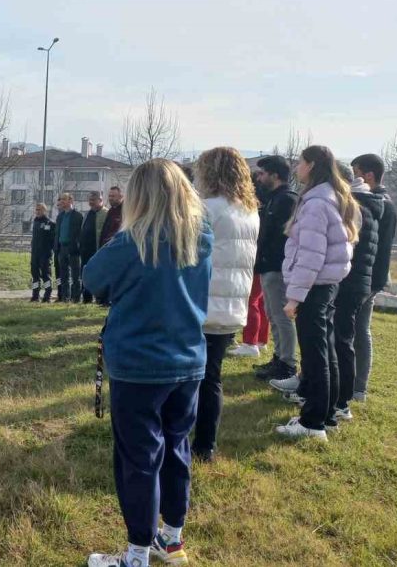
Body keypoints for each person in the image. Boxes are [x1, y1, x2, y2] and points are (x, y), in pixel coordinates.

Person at [83, 159, 213, 567]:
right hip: (188, 360)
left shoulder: (130, 243)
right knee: (177, 448)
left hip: (138, 366)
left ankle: (137, 553)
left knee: (138, 459)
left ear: (138, 197)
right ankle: (171, 540)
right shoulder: (202, 239)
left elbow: (91, 279)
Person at [274, 145, 356, 441]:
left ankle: (313, 423)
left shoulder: (317, 203)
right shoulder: (332, 196)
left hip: (313, 287)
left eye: (300, 162)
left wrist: (295, 297)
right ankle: (328, 415)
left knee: (315, 355)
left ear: (311, 165)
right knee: (326, 351)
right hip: (326, 285)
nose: (296, 167)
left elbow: (311, 254)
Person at [191, 148, 259, 462]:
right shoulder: (248, 210)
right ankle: (206, 445)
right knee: (212, 377)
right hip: (231, 304)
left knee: (190, 377)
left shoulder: (206, 208)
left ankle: (179, 436)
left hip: (201, 302)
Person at [331, 162, 381, 421]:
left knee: (342, 340)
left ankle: (342, 401)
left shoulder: (355, 206)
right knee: (344, 339)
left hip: (349, 281)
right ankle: (340, 396)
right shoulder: (367, 205)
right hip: (359, 280)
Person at [349, 153, 397, 402]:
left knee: (359, 331)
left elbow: (381, 249)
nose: (352, 179)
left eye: (356, 172)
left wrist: (372, 282)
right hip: (363, 276)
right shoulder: (376, 201)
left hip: (369, 278)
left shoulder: (382, 204)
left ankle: (358, 388)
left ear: (368, 175)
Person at [252, 156, 300, 382]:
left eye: (262, 173)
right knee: (272, 313)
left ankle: (288, 363)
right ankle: (279, 357)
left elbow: (282, 237)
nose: (259, 178)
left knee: (281, 316)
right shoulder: (273, 199)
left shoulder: (287, 200)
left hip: (278, 266)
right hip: (268, 265)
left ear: (275, 175)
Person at [229, 179, 270, 358]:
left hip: (254, 259)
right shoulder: (267, 207)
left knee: (251, 301)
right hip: (262, 259)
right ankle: (261, 340)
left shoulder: (250, 211)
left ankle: (250, 342)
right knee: (260, 302)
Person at [79, 191, 109, 304]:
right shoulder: (87, 214)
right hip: (85, 251)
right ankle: (86, 297)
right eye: (90, 200)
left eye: (93, 200)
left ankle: (100, 298)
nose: (91, 202)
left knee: (99, 275)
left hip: (98, 251)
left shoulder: (106, 213)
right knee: (86, 274)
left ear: (100, 200)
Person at [54, 193, 84, 302]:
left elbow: (80, 234)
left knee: (76, 275)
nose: (61, 202)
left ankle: (76, 298)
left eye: (64, 199)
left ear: (71, 201)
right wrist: (56, 247)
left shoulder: (78, 216)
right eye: (61, 200)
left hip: (73, 249)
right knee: (63, 275)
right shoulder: (60, 216)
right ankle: (65, 297)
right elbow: (57, 233)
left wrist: (77, 246)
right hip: (62, 248)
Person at [30, 203, 56, 302]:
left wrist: (50, 252)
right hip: (35, 254)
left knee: (46, 276)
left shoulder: (50, 223)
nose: (37, 211)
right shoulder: (35, 222)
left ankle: (47, 295)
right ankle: (35, 295)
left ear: (44, 211)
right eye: (36, 210)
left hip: (45, 254)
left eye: (40, 210)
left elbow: (52, 240)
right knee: (35, 276)